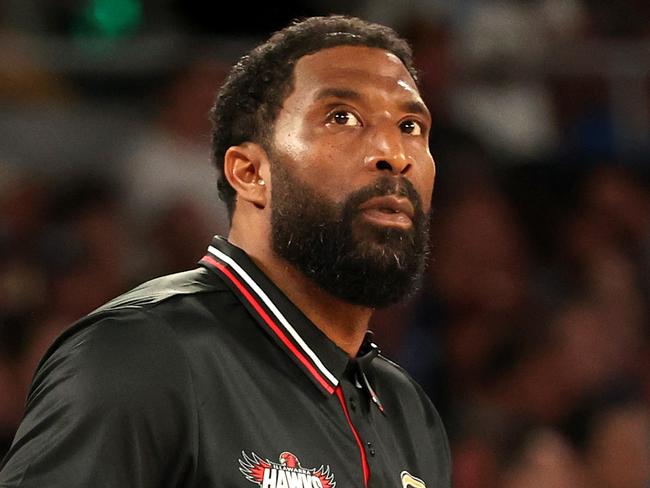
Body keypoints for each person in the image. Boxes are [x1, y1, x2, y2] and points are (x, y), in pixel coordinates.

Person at [0, 15, 451, 488]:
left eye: (410, 125)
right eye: (341, 117)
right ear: (250, 172)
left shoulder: (410, 412)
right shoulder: (144, 353)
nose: (394, 152)